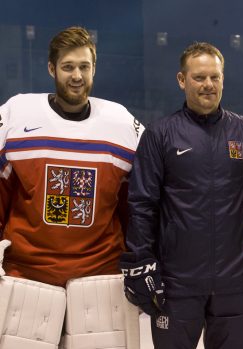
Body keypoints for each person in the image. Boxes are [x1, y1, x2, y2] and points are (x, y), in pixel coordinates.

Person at [121, 41, 243, 349]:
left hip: (235, 284)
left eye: (215, 77)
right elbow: (142, 204)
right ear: (182, 80)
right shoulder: (159, 135)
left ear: (223, 79)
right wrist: (141, 258)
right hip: (176, 285)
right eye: (199, 77)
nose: (208, 85)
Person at [0, 26, 143, 348]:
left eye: (84, 66)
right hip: (27, 274)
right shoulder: (15, 116)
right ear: (51, 68)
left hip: (99, 274)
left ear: (94, 68)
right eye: (67, 67)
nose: (76, 75)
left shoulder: (121, 124)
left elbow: (138, 204)